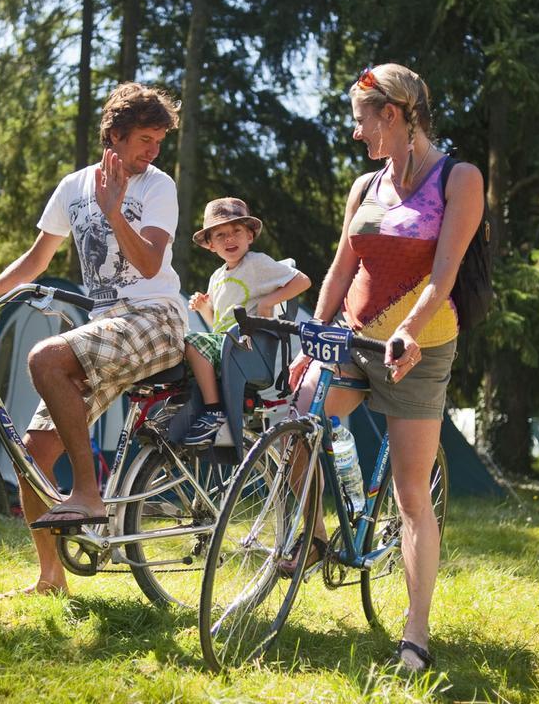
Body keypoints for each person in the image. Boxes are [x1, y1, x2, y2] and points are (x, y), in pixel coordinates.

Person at [286, 63, 483, 671]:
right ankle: (316, 539)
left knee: (408, 495)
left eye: (360, 121)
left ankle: (415, 632)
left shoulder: (459, 178)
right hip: (352, 338)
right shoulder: (365, 187)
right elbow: (342, 269)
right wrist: (313, 338)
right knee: (298, 422)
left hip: (417, 348)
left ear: (391, 116)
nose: (355, 134)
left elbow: (445, 273)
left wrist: (406, 330)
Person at [0, 82, 185, 596]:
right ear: (113, 135)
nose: (153, 151)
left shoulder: (157, 187)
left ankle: (88, 493)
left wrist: (115, 210)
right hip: (108, 326)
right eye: (145, 140)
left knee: (45, 355)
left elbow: (152, 262)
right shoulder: (73, 187)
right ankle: (51, 579)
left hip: (157, 320)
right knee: (31, 455)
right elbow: (35, 260)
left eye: (159, 141)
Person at [183, 197, 311, 445]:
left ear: (250, 237)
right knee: (182, 349)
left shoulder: (256, 263)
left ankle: (213, 412)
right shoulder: (217, 276)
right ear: (210, 245)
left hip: (248, 349)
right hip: (227, 344)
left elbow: (302, 281)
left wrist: (268, 303)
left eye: (236, 231)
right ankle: (196, 412)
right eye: (220, 235)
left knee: (191, 342)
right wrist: (203, 309)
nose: (229, 239)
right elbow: (218, 326)